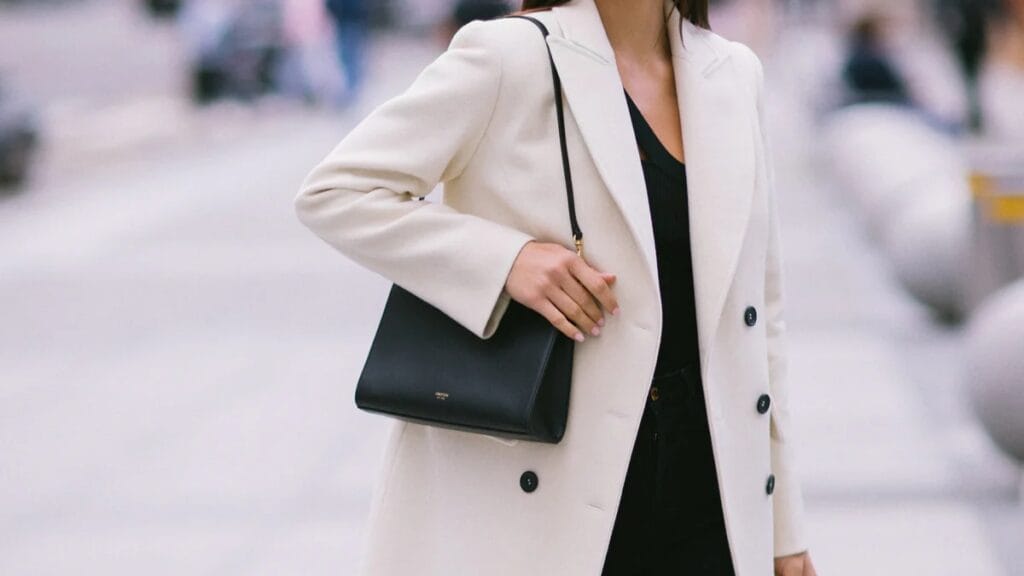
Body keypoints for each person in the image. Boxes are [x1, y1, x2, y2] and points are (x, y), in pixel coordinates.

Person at [294, 1, 816, 574]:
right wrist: (505, 261)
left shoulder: (734, 75)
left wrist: (781, 532)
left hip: (709, 485)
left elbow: (760, 320)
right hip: (554, 489)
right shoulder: (507, 57)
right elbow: (337, 192)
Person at [325, 0, 369, 107]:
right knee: (347, 57)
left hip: (348, 21)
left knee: (348, 57)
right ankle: (349, 90)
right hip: (346, 21)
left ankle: (350, 91)